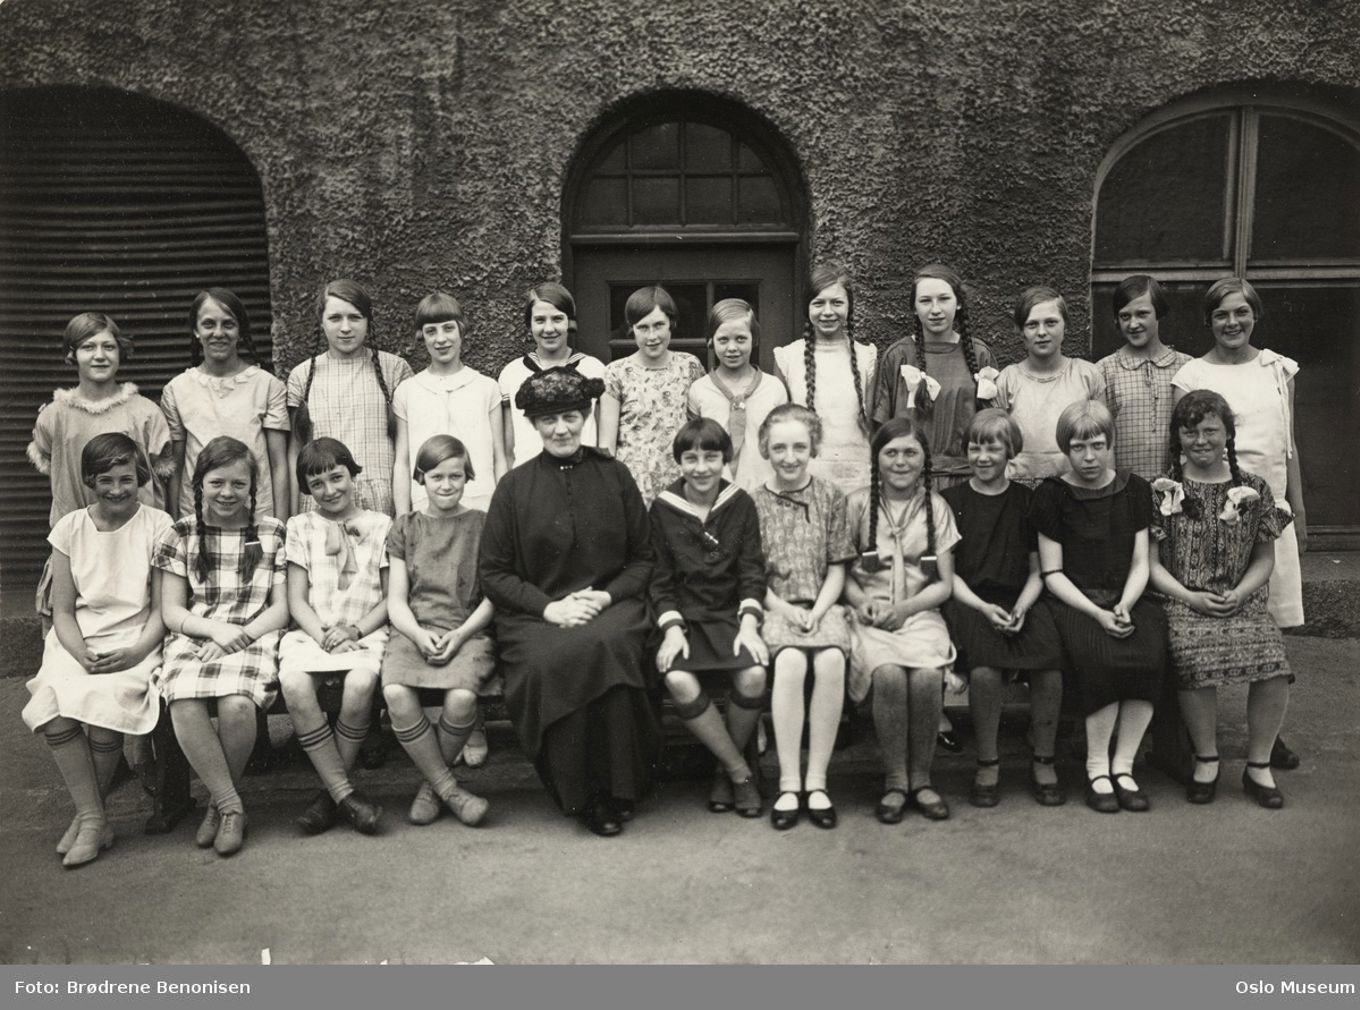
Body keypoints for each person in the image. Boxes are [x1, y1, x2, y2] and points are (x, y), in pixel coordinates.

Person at [479, 367, 659, 837]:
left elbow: (643, 559)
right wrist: (548, 608)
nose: (561, 429)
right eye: (549, 420)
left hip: (610, 605)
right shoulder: (514, 488)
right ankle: (583, 795)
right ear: (534, 427)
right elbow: (494, 573)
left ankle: (622, 788)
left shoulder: (615, 475)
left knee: (610, 647)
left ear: (586, 417)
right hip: (536, 615)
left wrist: (605, 595)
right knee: (553, 659)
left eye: (571, 417)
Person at [21, 434, 173, 867]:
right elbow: (63, 610)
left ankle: (89, 820)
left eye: (126, 479)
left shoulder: (158, 524)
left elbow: (162, 608)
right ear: (89, 481)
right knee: (54, 707)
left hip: (137, 639)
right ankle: (93, 818)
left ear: (140, 477)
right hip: (79, 639)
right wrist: (80, 652)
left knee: (104, 708)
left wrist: (136, 652)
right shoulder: (69, 528)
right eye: (105, 480)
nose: (117, 489)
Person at [1171, 278, 1304, 771]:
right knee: (1211, 620)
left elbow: (1289, 447)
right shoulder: (1191, 374)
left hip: (1268, 509)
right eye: (1222, 314)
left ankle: (1267, 739)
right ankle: (1201, 736)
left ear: (1255, 315)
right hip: (1209, 510)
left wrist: (1300, 514)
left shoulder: (1277, 369)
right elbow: (1186, 441)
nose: (1232, 323)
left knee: (1269, 622)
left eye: (1241, 313)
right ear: (1209, 320)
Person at [1148, 391, 1293, 807]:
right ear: (1178, 438)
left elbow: (1265, 559)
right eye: (1189, 431)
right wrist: (1190, 598)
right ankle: (1207, 758)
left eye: (1210, 430)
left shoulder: (1254, 488)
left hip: (1240, 599)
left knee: (1274, 663)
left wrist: (1241, 593)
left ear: (1228, 433)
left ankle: (1259, 766)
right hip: (1181, 600)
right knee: (1193, 655)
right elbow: (1152, 565)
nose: (1201, 440)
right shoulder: (1162, 490)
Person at [152, 436, 290, 855]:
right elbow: (172, 611)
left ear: (253, 488)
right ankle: (232, 805)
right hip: (196, 635)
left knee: (237, 704)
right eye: (216, 483)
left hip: (253, 636)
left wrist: (239, 637)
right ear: (199, 485)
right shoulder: (183, 534)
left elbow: (281, 610)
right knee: (183, 699)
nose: (227, 493)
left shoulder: (271, 533)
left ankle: (218, 803)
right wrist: (213, 631)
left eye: (238, 484)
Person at [1030, 401, 1166, 814]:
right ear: (1065, 449)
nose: (1089, 457)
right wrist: (1098, 613)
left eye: (1097, 445)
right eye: (1077, 447)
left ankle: (1123, 766)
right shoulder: (1052, 495)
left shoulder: (1135, 489)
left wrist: (1125, 603)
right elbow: (1051, 573)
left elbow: (1142, 562)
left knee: (1149, 654)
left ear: (1111, 444)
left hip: (1126, 597)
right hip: (1075, 602)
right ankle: (1096, 767)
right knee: (1102, 657)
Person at [940, 410, 1065, 808]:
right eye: (975, 446)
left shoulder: (1027, 501)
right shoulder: (950, 501)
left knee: (1049, 663)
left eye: (993, 446)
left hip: (1021, 598)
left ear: (1010, 450)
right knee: (985, 669)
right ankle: (988, 760)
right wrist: (981, 607)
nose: (982, 455)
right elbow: (949, 575)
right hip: (970, 600)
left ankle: (1043, 758)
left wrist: (1024, 608)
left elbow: (1037, 571)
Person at [844, 417, 962, 823]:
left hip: (918, 612)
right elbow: (842, 575)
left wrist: (906, 610)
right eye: (891, 452)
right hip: (869, 614)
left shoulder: (937, 508)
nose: (900, 461)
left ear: (924, 458)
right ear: (876, 457)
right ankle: (895, 780)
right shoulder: (858, 504)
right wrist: (867, 605)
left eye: (910, 452)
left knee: (928, 676)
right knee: (890, 674)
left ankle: (922, 779)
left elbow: (944, 585)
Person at [650, 418, 769, 817]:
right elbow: (660, 580)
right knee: (678, 678)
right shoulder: (664, 508)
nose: (701, 468)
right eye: (691, 458)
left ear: (725, 459)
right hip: (685, 618)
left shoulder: (740, 504)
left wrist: (750, 624)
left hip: (730, 615)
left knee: (753, 674)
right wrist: (670, 630)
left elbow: (752, 571)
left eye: (711, 457)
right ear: (679, 462)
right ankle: (739, 772)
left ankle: (723, 771)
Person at [27, 312, 173, 623]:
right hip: (78, 545)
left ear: (121, 352)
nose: (99, 355)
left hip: (137, 544)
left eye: (109, 347)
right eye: (88, 347)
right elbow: (57, 473)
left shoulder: (146, 412)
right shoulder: (54, 416)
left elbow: (164, 480)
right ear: (72, 355)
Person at [278, 438, 390, 835]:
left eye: (337, 478)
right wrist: (323, 634)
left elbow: (391, 597)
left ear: (353, 474)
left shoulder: (381, 525)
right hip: (313, 632)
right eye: (317, 484)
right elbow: (295, 599)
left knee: (360, 684)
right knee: (293, 684)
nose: (329, 491)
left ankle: (330, 797)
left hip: (364, 631)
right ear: (306, 489)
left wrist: (355, 630)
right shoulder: (299, 527)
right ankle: (345, 794)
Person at [751, 403, 854, 830]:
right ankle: (789, 782)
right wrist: (784, 609)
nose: (789, 456)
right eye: (779, 448)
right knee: (791, 661)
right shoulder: (752, 502)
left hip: (823, 603)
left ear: (813, 448)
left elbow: (838, 565)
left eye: (798, 446)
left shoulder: (831, 496)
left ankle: (818, 781)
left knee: (830, 659)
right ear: (765, 450)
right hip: (774, 605)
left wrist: (821, 609)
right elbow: (751, 573)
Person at [383, 435, 494, 827]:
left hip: (468, 630)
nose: (446, 485)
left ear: (468, 478)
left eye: (456, 476)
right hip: (415, 631)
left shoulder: (483, 524)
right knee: (395, 692)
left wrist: (462, 634)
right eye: (436, 477)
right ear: (420, 478)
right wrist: (416, 634)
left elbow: (493, 597)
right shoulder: (406, 527)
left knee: (463, 698)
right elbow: (396, 600)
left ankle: (432, 787)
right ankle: (449, 789)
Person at [161, 288, 291, 521]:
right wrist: (174, 524)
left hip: (256, 515)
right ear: (196, 330)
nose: (218, 333)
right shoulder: (177, 389)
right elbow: (177, 466)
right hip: (197, 517)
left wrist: (281, 526)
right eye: (209, 324)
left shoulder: (267, 386)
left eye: (228, 324)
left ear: (240, 330)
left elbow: (278, 464)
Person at [286, 279, 413, 515]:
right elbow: (295, 451)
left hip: (382, 502)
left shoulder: (394, 370)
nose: (345, 327)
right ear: (321, 322)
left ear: (368, 321)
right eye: (335, 318)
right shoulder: (303, 375)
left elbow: (406, 448)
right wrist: (294, 517)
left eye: (355, 317)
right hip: (322, 501)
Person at [871, 263, 999, 488]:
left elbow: (993, 426)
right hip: (909, 480)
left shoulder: (979, 355)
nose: (935, 309)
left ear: (958, 303)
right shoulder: (898, 355)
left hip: (967, 479)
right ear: (914, 308)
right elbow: (881, 428)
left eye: (944, 299)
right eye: (925, 301)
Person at [392, 291, 507, 515]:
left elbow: (499, 457)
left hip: (481, 504)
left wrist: (503, 512)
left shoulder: (486, 387)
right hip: (425, 505)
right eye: (431, 331)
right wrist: (403, 517)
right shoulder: (408, 391)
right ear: (421, 336)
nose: (441, 339)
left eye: (448, 328)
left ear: (461, 329)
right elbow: (402, 462)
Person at [773, 264, 877, 496]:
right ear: (807, 307)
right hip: (805, 475)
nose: (828, 312)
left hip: (858, 477)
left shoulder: (867, 356)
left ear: (849, 306)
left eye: (837, 303)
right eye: (818, 303)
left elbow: (872, 424)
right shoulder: (787, 357)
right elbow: (781, 428)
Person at [599, 284, 706, 505]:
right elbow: (607, 445)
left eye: (659, 325)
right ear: (631, 328)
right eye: (643, 327)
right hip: (633, 485)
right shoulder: (616, 373)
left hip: (680, 482)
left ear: (671, 324)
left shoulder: (689, 366)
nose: (652, 336)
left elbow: (699, 429)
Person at [994, 286, 1106, 482]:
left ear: (1066, 327)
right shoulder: (1008, 379)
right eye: (1032, 325)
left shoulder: (1087, 375)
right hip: (1020, 488)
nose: (1042, 332)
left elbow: (1104, 440)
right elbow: (997, 445)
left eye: (1051, 323)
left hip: (1074, 486)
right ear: (1021, 331)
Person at [498, 283, 607, 467]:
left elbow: (603, 442)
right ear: (529, 323)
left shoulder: (593, 368)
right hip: (530, 482)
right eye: (540, 320)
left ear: (570, 322)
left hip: (582, 478)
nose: (549, 329)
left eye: (557, 319)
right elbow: (509, 450)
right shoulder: (512, 373)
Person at [686, 298, 788, 492]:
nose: (732, 348)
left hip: (765, 491)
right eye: (723, 340)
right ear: (711, 340)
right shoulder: (699, 390)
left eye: (740, 339)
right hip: (715, 494)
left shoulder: (774, 388)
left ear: (754, 338)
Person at [1097, 275, 1192, 480]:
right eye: (1125, 316)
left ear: (1159, 313)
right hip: (1124, 489)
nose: (1133, 324)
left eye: (1142, 314)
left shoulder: (1187, 367)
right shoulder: (1104, 371)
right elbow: (1101, 439)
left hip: (1176, 489)